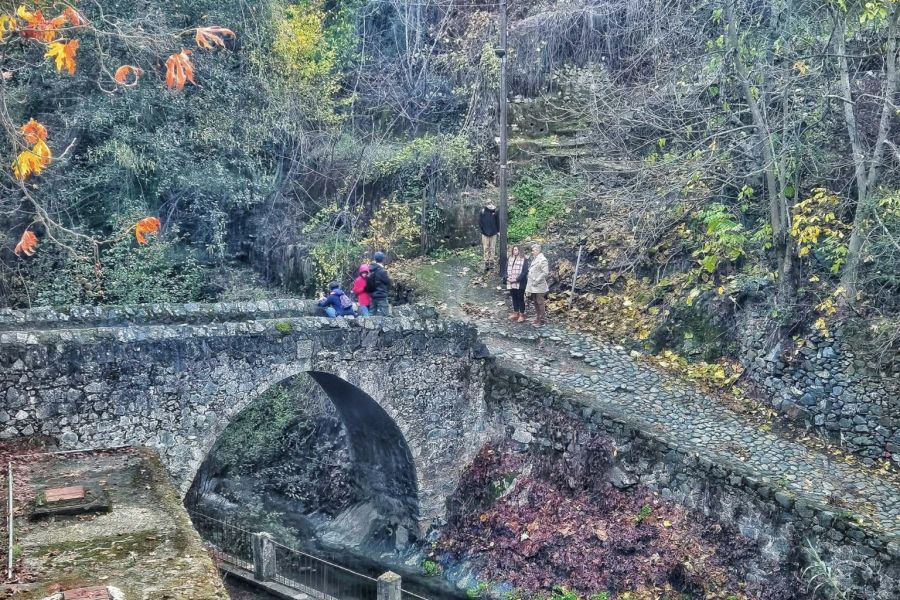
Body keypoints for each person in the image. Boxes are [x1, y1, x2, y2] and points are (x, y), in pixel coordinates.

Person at [525, 243, 549, 326]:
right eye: (532, 250)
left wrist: (537, 280)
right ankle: (538, 317)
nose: (532, 252)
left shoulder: (543, 259)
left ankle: (542, 320)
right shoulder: (535, 259)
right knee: (535, 301)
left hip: (539, 285)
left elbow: (545, 272)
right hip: (533, 285)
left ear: (538, 251)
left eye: (534, 250)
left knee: (540, 302)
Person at [505, 245, 528, 322]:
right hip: (511, 282)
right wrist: (507, 277)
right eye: (514, 250)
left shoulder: (524, 259)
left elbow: (525, 272)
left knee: (520, 298)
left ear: (519, 250)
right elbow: (506, 269)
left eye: (516, 250)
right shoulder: (510, 258)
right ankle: (515, 312)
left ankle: (521, 314)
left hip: (520, 283)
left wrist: (516, 279)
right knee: (514, 297)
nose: (514, 251)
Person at [366, 251, 393, 316]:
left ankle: (367, 323)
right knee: (386, 315)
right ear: (383, 259)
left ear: (375, 259)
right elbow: (388, 282)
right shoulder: (382, 271)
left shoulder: (370, 270)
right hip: (381, 295)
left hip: (372, 295)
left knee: (371, 314)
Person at [478, 201, 500, 272]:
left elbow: (497, 221)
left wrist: (498, 231)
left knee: (492, 248)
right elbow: (480, 222)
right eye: (488, 203)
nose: (489, 205)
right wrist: (482, 230)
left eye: (490, 203)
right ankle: (486, 262)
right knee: (486, 248)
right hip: (484, 233)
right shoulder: (482, 212)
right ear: (486, 205)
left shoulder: (495, 211)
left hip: (493, 232)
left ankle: (491, 262)